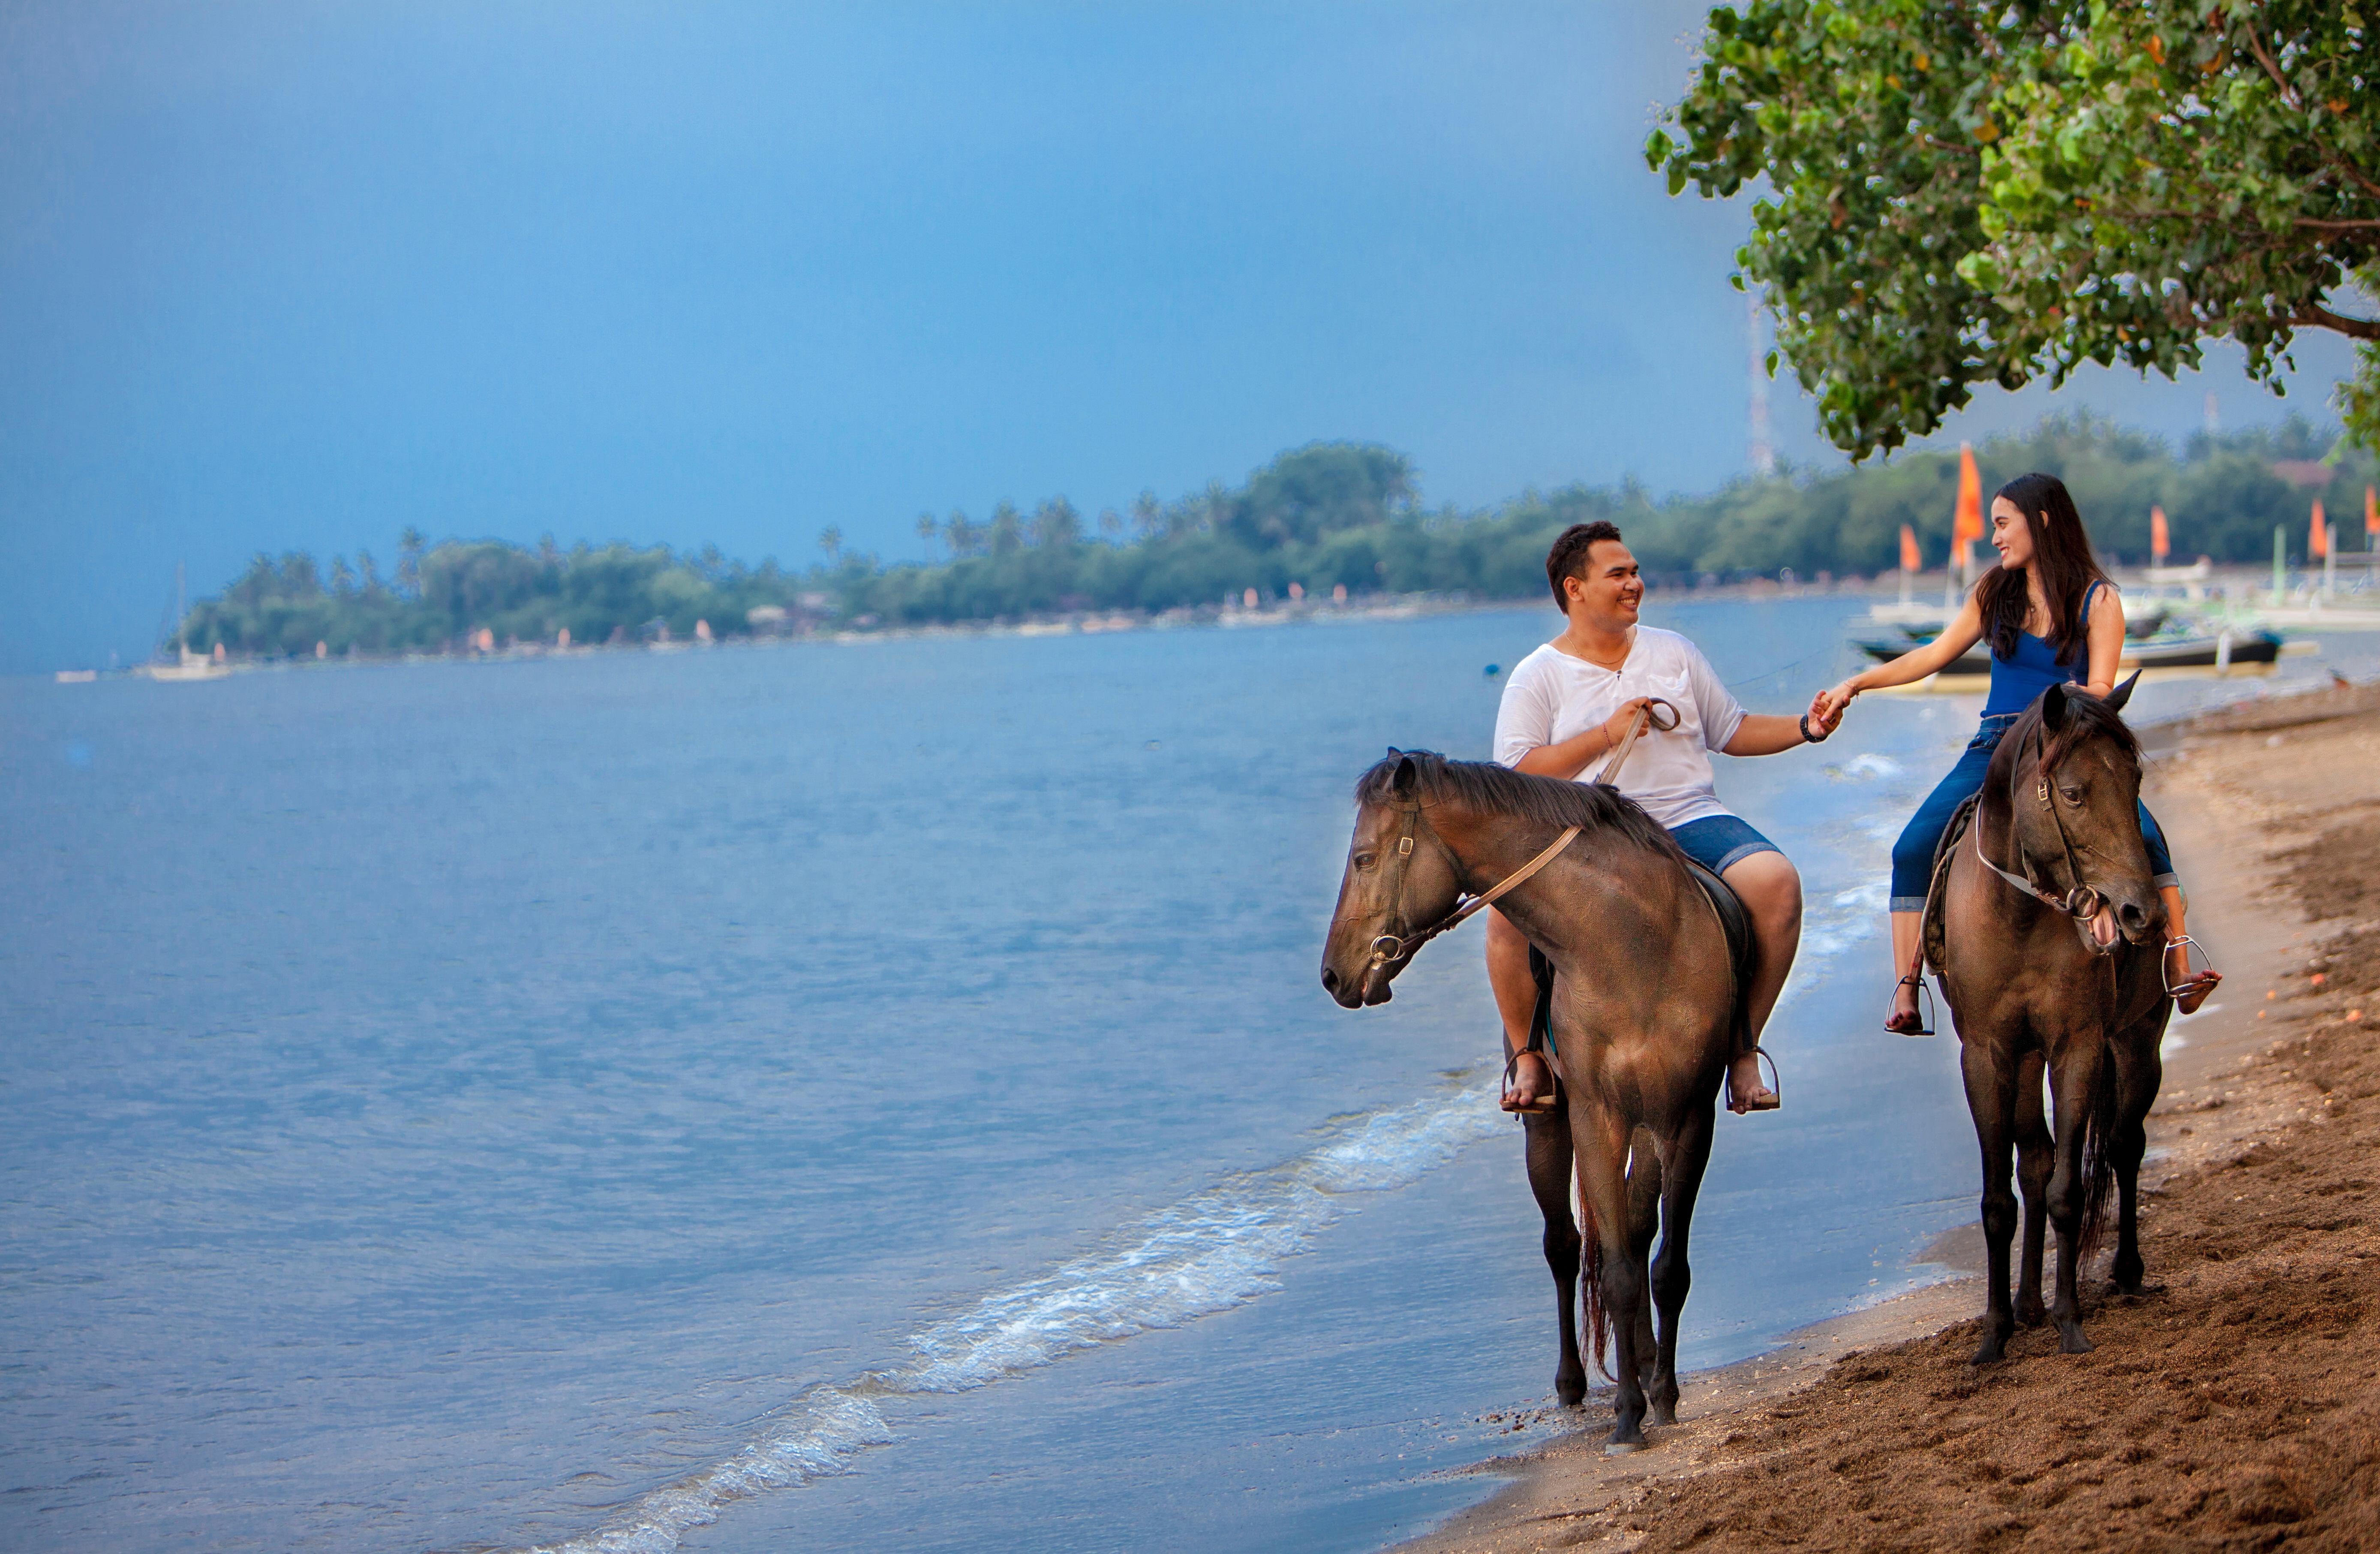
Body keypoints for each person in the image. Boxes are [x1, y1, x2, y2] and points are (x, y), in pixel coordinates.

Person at [1809, 472, 2221, 1033]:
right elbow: (1931, 656)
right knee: (1911, 850)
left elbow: (2103, 687)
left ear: (2043, 521)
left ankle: (2178, 958)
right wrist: (1857, 684)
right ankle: (1908, 988)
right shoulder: (1992, 592)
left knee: (2144, 837)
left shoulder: (2099, 599)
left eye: (2004, 524)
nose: (1996, 537)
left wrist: (2066, 702)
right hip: (1994, 747)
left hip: (2066, 743)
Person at [1491, 521, 1828, 1117]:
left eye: (1636, 572)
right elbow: (1516, 776)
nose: (1635, 584)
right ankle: (1527, 1057)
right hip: (1591, 836)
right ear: (1575, 589)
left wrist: (1806, 727)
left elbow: (1733, 729)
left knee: (1777, 883)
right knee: (1504, 910)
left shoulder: (1674, 651)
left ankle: (1743, 1048)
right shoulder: (1537, 674)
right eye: (1617, 574)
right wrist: (1603, 736)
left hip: (1689, 819)